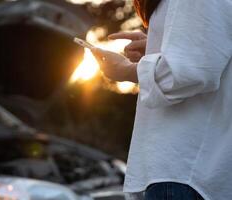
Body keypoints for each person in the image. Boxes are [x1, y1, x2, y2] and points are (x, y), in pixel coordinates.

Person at [91, 0, 232, 199]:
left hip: (185, 170)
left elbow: (189, 72)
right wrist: (161, 45)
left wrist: (127, 71)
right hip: (199, 173)